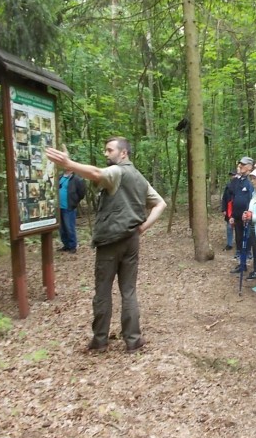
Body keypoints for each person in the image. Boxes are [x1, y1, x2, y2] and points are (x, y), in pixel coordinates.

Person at [45, 137, 167, 353]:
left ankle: (100, 339)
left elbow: (96, 173)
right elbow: (160, 203)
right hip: (131, 241)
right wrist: (142, 228)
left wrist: (69, 164)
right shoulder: (139, 177)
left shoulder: (117, 172)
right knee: (128, 291)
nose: (106, 154)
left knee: (103, 291)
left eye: (109, 150)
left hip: (111, 242)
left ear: (123, 154)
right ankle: (133, 340)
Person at [229, 157, 254, 274]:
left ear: (249, 166)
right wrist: (232, 216)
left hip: (247, 217)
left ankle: (248, 263)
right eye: (240, 164)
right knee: (239, 241)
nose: (240, 166)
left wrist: (248, 214)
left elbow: (251, 199)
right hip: (238, 217)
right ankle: (241, 264)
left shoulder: (251, 181)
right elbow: (233, 197)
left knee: (247, 241)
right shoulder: (238, 180)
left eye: (243, 165)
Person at [58, 169, 86, 254]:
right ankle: (66, 245)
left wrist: (75, 201)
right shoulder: (60, 177)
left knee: (69, 227)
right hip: (58, 207)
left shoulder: (77, 178)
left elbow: (82, 192)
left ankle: (72, 246)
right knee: (61, 228)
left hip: (69, 207)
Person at [221, 170, 237, 251]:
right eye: (231, 175)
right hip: (229, 210)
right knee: (229, 227)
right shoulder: (228, 186)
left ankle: (239, 243)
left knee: (238, 228)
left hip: (238, 210)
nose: (232, 176)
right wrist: (223, 209)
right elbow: (224, 198)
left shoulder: (240, 185)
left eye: (233, 175)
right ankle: (229, 244)